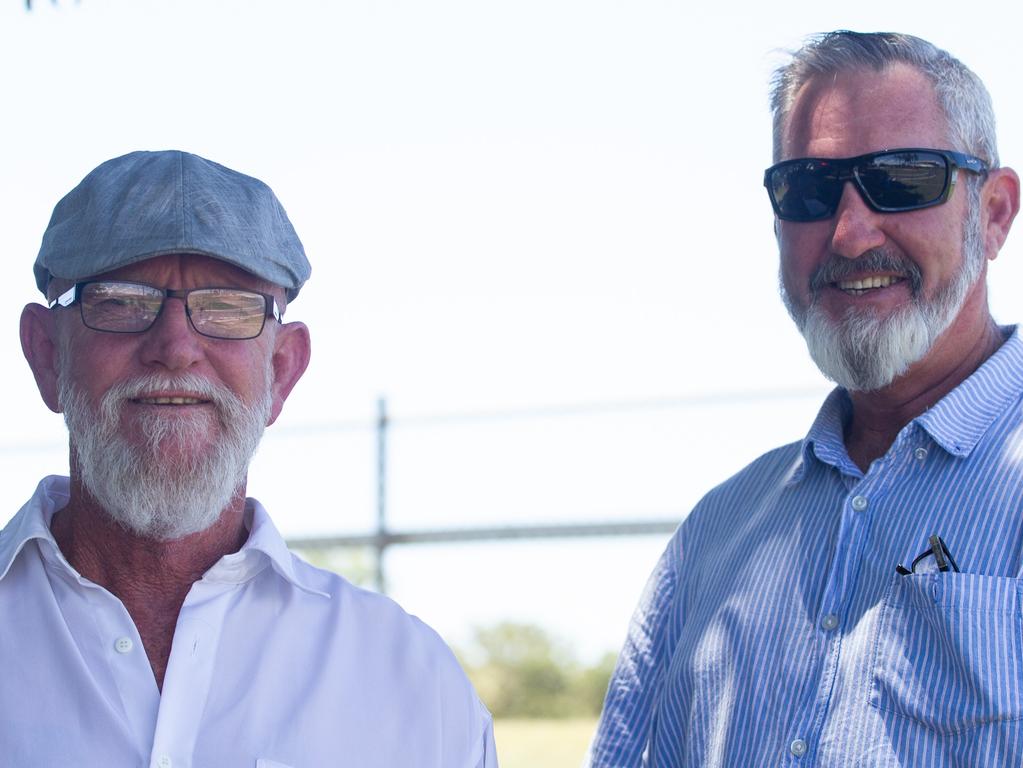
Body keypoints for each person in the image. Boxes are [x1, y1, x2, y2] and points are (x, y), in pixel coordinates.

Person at [588, 31, 1022, 767]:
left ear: (992, 213)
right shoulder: (715, 536)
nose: (850, 234)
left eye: (902, 178)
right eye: (809, 189)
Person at [0, 150, 497, 767]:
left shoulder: (412, 686)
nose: (176, 348)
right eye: (121, 301)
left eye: (227, 307)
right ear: (47, 356)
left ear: (281, 371)